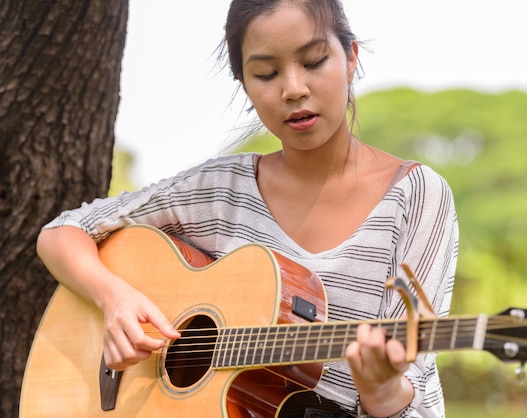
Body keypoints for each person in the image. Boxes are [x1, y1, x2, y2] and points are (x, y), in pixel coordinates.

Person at [36, 1, 458, 417]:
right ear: (244, 83)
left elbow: (414, 393)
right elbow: (62, 232)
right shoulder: (222, 190)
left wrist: (383, 390)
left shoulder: (415, 196)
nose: (293, 88)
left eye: (313, 61)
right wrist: (116, 300)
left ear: (350, 58)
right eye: (266, 73)